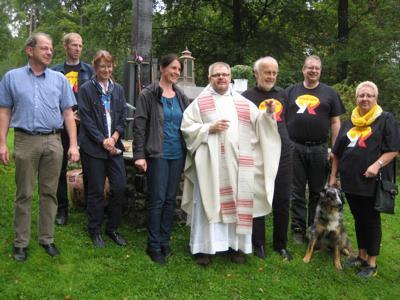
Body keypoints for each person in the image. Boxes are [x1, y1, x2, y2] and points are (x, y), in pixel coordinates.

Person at [181, 62, 281, 266]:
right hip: (210, 165)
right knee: (209, 202)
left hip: (238, 165)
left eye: (225, 74)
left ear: (230, 78)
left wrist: (269, 113)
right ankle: (204, 248)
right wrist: (209, 127)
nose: (221, 78)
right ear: (210, 78)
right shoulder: (200, 103)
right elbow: (187, 127)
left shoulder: (242, 103)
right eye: (216, 75)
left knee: (237, 204)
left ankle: (235, 247)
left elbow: (260, 122)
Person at [0, 32, 79, 261]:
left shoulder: (59, 80)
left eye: (51, 48)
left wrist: (73, 144)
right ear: (29, 50)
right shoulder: (12, 78)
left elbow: (68, 113)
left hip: (54, 142)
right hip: (25, 140)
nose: (50, 51)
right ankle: (20, 243)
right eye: (44, 48)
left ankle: (47, 238)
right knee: (23, 193)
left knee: (49, 192)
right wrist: (2, 142)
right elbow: (4, 111)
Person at [329, 81, 400, 278]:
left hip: (371, 181)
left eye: (369, 95)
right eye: (361, 95)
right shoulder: (349, 121)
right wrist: (333, 176)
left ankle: (371, 263)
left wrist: (376, 165)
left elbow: (393, 149)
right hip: (350, 181)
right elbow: (336, 153)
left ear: (376, 98)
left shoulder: (385, 119)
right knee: (359, 219)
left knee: (370, 220)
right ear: (356, 98)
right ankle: (361, 256)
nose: (365, 99)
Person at [133, 54, 190, 265]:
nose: (176, 72)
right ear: (162, 69)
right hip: (157, 154)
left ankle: (165, 241)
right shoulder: (148, 94)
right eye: (173, 68)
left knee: (169, 200)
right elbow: (139, 126)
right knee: (156, 200)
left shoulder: (180, 96)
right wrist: (139, 155)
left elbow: (189, 122)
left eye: (179, 70)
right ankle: (153, 244)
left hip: (177, 154)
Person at [285, 55, 345, 244]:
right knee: (296, 191)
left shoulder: (330, 93)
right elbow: (281, 119)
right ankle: (297, 229)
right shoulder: (290, 92)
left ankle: (314, 229)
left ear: (320, 71)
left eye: (316, 68)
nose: (313, 71)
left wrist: (334, 149)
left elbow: (335, 122)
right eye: (309, 67)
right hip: (295, 147)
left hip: (320, 148)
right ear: (303, 69)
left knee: (318, 191)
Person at [242, 56, 293, 261]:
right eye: (267, 72)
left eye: (274, 73)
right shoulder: (246, 97)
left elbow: (288, 121)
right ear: (256, 74)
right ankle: (258, 243)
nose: (271, 76)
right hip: (259, 154)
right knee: (258, 197)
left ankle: (280, 244)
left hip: (283, 154)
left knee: (282, 199)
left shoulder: (283, 94)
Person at [78, 50, 127, 248]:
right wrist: (102, 140)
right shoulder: (86, 89)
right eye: (102, 66)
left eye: (109, 66)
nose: (105, 69)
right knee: (96, 190)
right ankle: (95, 229)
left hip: (114, 148)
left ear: (112, 67)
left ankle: (112, 227)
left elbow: (122, 116)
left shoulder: (118, 90)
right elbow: (86, 119)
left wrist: (115, 137)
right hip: (94, 148)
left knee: (120, 187)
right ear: (95, 68)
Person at [52, 32, 94, 225]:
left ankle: (90, 207)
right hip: (61, 126)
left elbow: (95, 99)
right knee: (59, 169)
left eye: (80, 45)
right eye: (74, 45)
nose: (78, 49)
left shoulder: (89, 71)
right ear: (66, 46)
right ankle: (62, 210)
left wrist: (81, 116)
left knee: (90, 167)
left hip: (85, 127)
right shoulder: (54, 72)